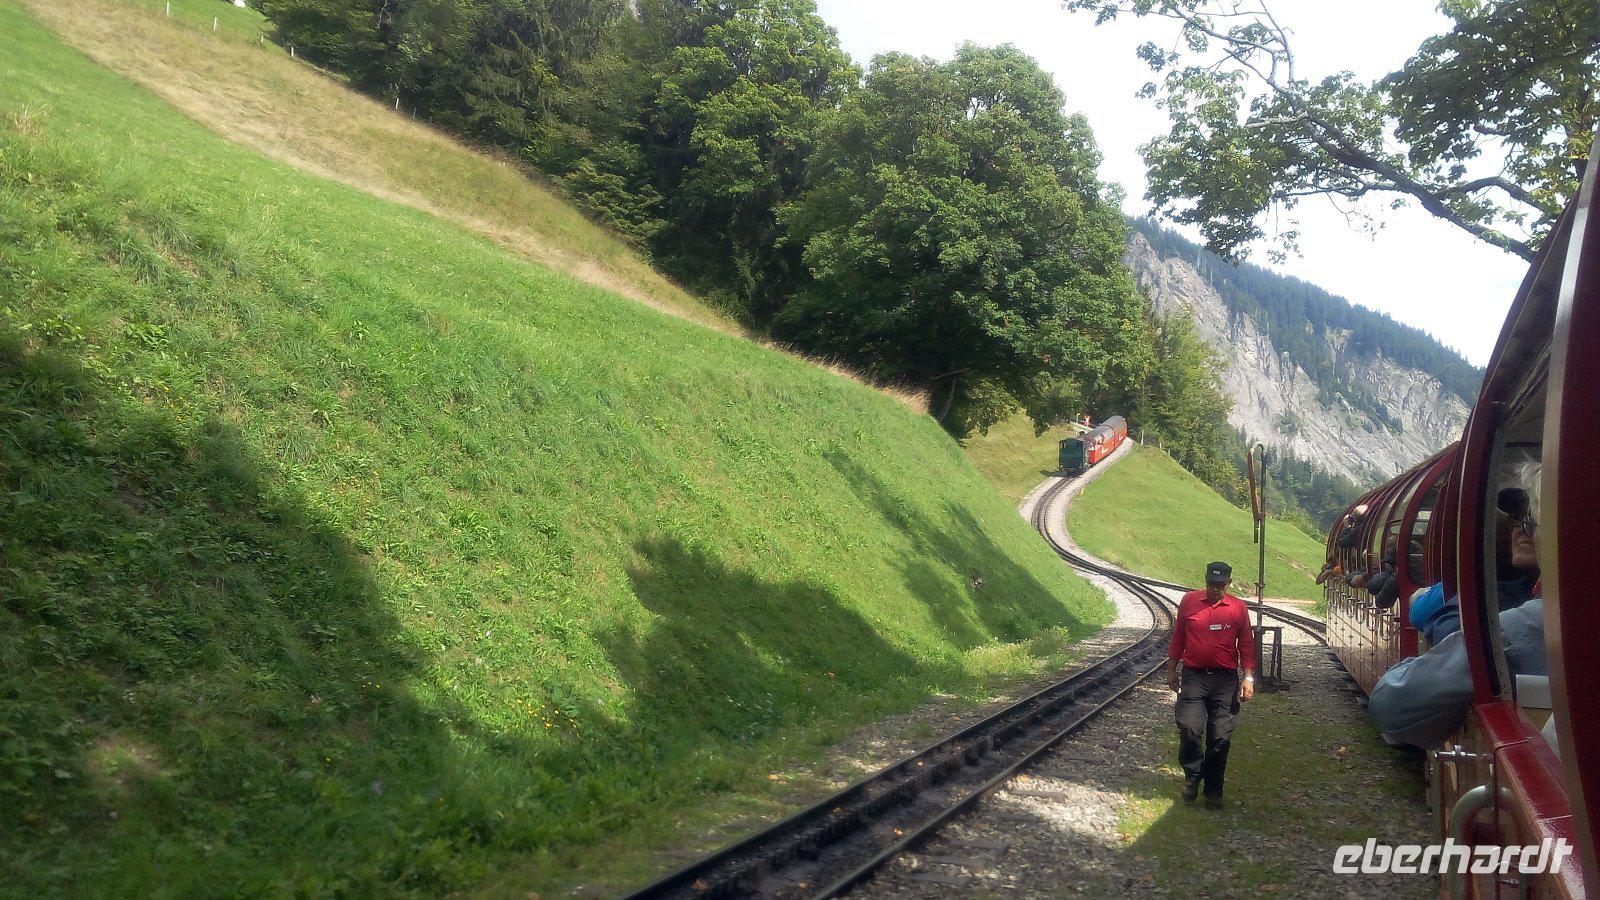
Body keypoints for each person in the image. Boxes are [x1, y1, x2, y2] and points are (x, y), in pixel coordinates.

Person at [1369, 463, 1545, 748]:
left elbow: (1394, 706)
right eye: (1516, 519)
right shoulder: (1505, 597)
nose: (1522, 529)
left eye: (1532, 520)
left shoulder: (1521, 626)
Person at [1166, 562, 1256, 808]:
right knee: (1189, 726)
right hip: (1194, 676)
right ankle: (1193, 776)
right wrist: (1172, 668)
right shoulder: (1189, 602)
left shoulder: (1237, 608)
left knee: (1220, 736)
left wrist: (1248, 678)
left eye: (1219, 586)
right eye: (1210, 585)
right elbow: (1179, 636)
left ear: (1228, 584)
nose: (1214, 590)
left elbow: (1246, 643)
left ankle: (1214, 789)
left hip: (1224, 680)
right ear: (1205, 582)